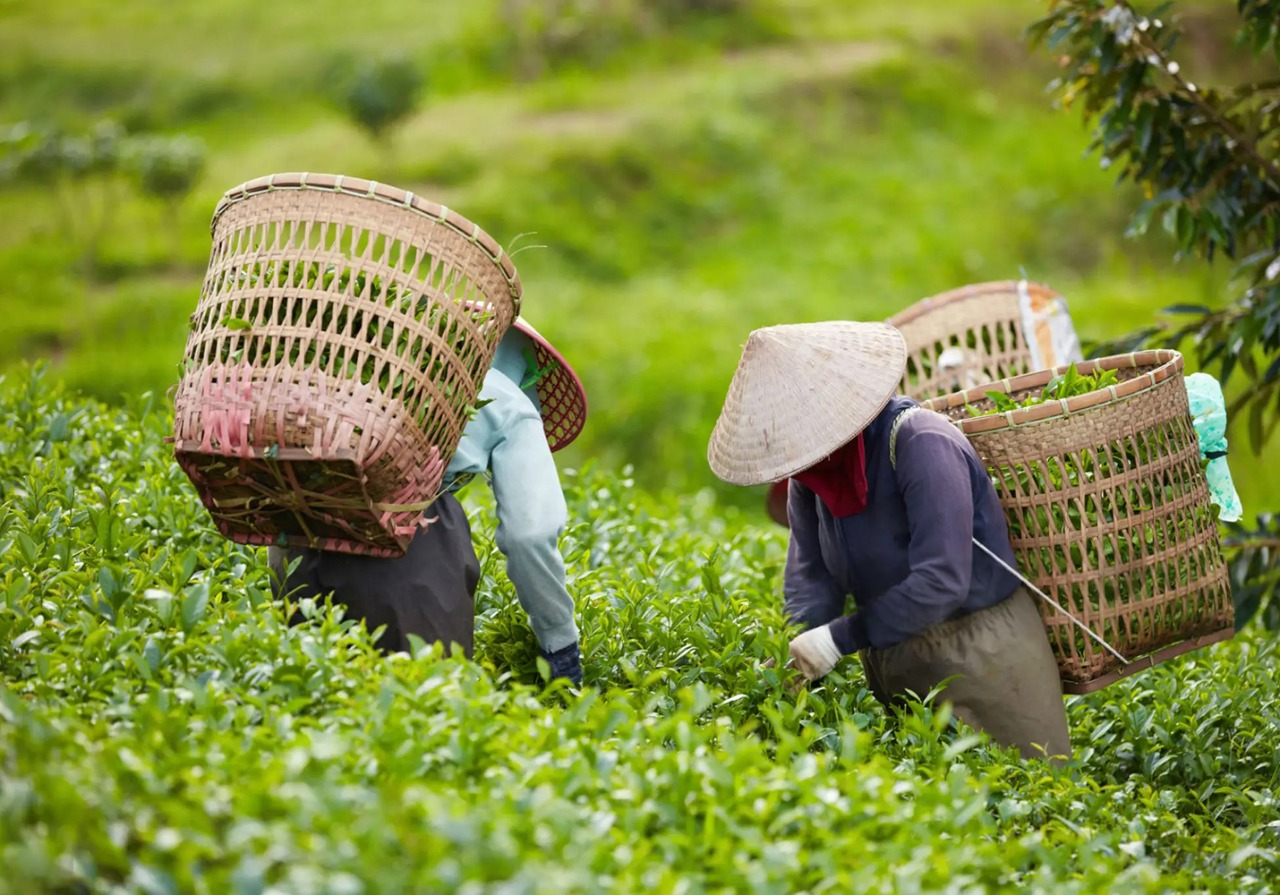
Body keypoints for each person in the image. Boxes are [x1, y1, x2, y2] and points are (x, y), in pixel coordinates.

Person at [707, 320, 1071, 762]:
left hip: (982, 654)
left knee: (1022, 797)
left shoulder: (921, 442)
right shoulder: (812, 476)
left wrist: (839, 638)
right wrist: (794, 658)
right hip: (893, 656)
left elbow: (942, 580)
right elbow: (811, 578)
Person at [269, 317, 588, 685]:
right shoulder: (510, 402)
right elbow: (531, 535)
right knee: (422, 712)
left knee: (310, 706)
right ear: (525, 366)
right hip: (408, 548)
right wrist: (560, 642)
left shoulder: (374, 367)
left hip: (299, 536)